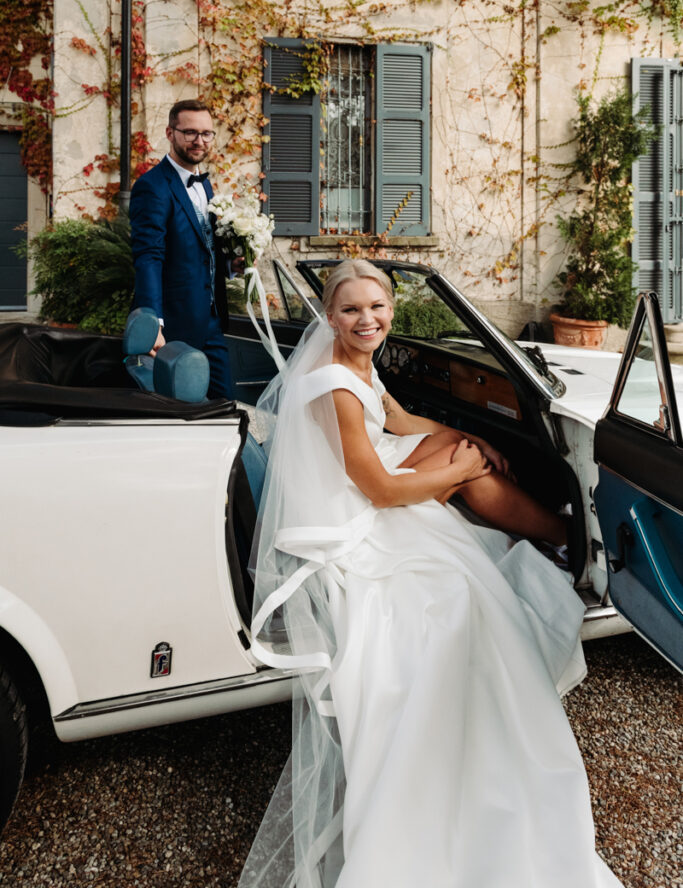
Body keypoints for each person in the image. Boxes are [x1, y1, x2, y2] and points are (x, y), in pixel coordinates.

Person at [239, 259, 624, 888]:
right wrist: (462, 468)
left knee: (466, 455)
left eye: (377, 307)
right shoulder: (334, 381)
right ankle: (565, 536)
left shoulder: (359, 363)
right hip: (354, 518)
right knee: (466, 495)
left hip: (371, 479)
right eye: (353, 310)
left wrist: (466, 435)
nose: (368, 320)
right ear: (330, 317)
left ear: (391, 309)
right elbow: (382, 492)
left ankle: (554, 531)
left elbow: (398, 421)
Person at [129, 99, 232, 399]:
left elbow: (202, 248)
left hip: (211, 319)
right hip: (174, 322)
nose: (199, 141)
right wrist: (152, 323)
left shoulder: (206, 186)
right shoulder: (152, 186)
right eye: (189, 133)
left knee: (225, 406)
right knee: (181, 413)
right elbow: (148, 256)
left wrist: (230, 265)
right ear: (170, 133)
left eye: (206, 133)